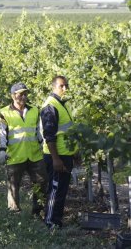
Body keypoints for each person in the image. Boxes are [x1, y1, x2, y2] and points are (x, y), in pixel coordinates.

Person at [0, 82, 47, 215]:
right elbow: (1, 133)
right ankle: (14, 212)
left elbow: (39, 131)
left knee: (40, 183)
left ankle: (39, 211)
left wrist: (44, 146)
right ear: (13, 96)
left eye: (25, 94)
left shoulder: (34, 111)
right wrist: (2, 149)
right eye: (20, 94)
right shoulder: (4, 113)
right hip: (15, 155)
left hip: (34, 154)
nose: (24, 97)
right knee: (13, 186)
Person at [40, 76, 79, 229]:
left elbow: (67, 131)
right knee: (55, 190)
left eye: (66, 86)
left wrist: (75, 152)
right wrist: (56, 159)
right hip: (56, 156)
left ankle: (57, 221)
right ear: (54, 86)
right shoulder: (50, 106)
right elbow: (49, 136)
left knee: (61, 190)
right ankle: (50, 222)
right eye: (61, 86)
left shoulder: (63, 105)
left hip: (65, 154)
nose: (65, 89)